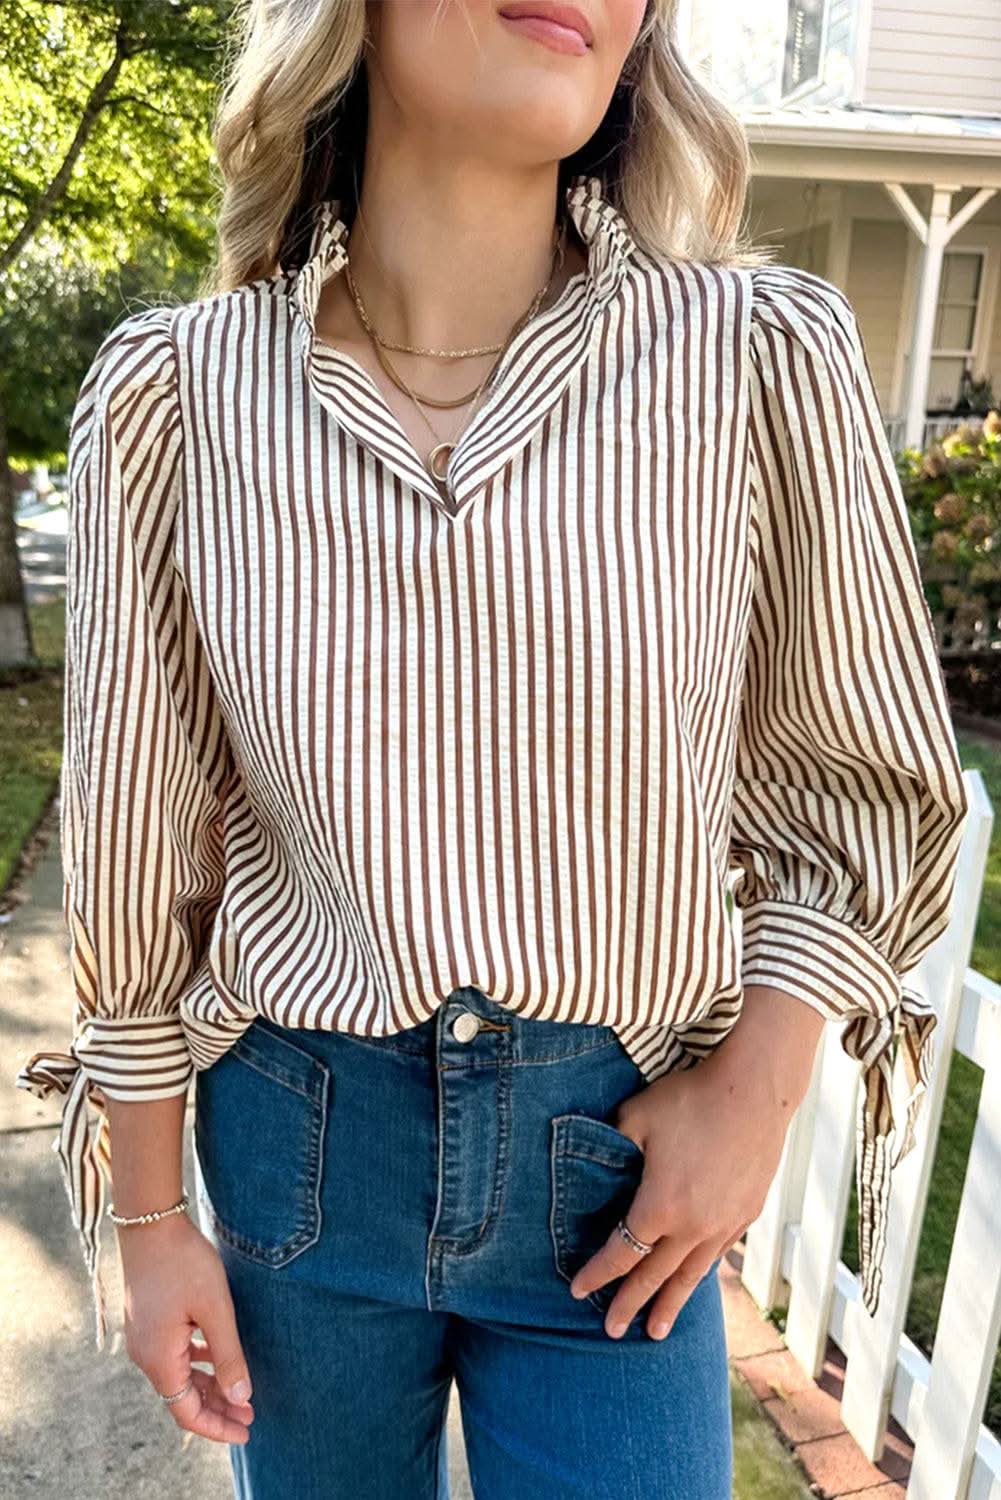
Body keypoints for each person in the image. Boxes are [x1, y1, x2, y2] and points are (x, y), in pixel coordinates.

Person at [16, 0, 970, 1495]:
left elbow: (860, 783)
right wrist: (148, 1221)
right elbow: (142, 845)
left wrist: (758, 1086)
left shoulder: (752, 364)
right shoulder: (175, 401)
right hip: (298, 1155)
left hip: (617, 1181)